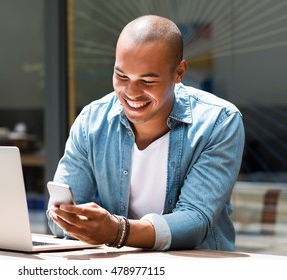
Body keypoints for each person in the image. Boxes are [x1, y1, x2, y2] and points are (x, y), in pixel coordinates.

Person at [47, 15, 245, 251]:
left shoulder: (218, 121)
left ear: (179, 72)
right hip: (123, 268)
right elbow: (58, 219)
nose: (131, 92)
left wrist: (117, 231)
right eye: (122, 76)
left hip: (198, 269)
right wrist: (70, 219)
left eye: (147, 81)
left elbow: (195, 220)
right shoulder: (92, 121)